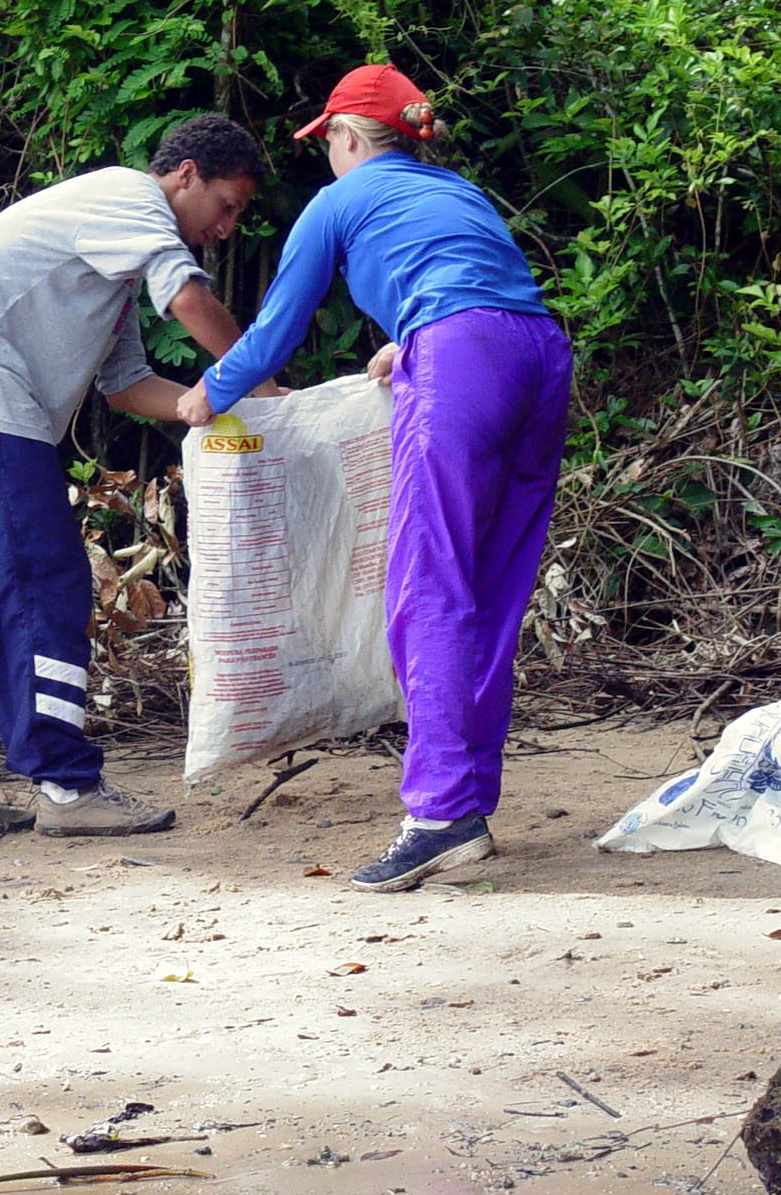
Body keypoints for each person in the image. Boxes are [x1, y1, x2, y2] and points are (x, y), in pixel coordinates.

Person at [176, 65, 571, 893]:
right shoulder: (454, 191)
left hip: (466, 356)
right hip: (538, 353)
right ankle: (463, 803)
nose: (327, 158)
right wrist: (411, 342)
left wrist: (205, 395)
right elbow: (478, 293)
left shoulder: (341, 200)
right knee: (490, 589)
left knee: (429, 582)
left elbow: (276, 329)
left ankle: (440, 817)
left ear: (348, 138)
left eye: (328, 144)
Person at [0, 113, 268, 844]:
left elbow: (126, 385)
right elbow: (188, 299)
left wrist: (219, 406)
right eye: (228, 205)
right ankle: (66, 785)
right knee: (43, 587)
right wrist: (261, 377)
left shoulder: (113, 251)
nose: (227, 227)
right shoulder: (130, 199)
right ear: (186, 174)